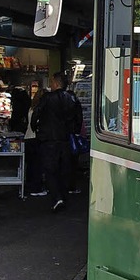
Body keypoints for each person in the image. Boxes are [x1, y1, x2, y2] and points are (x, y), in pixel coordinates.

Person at [31, 72, 83, 212]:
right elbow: (79, 117)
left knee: (50, 170)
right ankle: (63, 197)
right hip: (65, 139)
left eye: (52, 82)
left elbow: (37, 113)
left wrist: (34, 127)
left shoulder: (47, 98)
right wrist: (75, 132)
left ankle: (57, 198)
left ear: (56, 83)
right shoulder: (72, 98)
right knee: (64, 170)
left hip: (48, 139)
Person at [24, 87, 46, 196]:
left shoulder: (31, 108)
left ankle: (30, 186)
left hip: (28, 137)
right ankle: (36, 188)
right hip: (35, 138)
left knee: (31, 165)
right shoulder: (41, 110)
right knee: (37, 165)